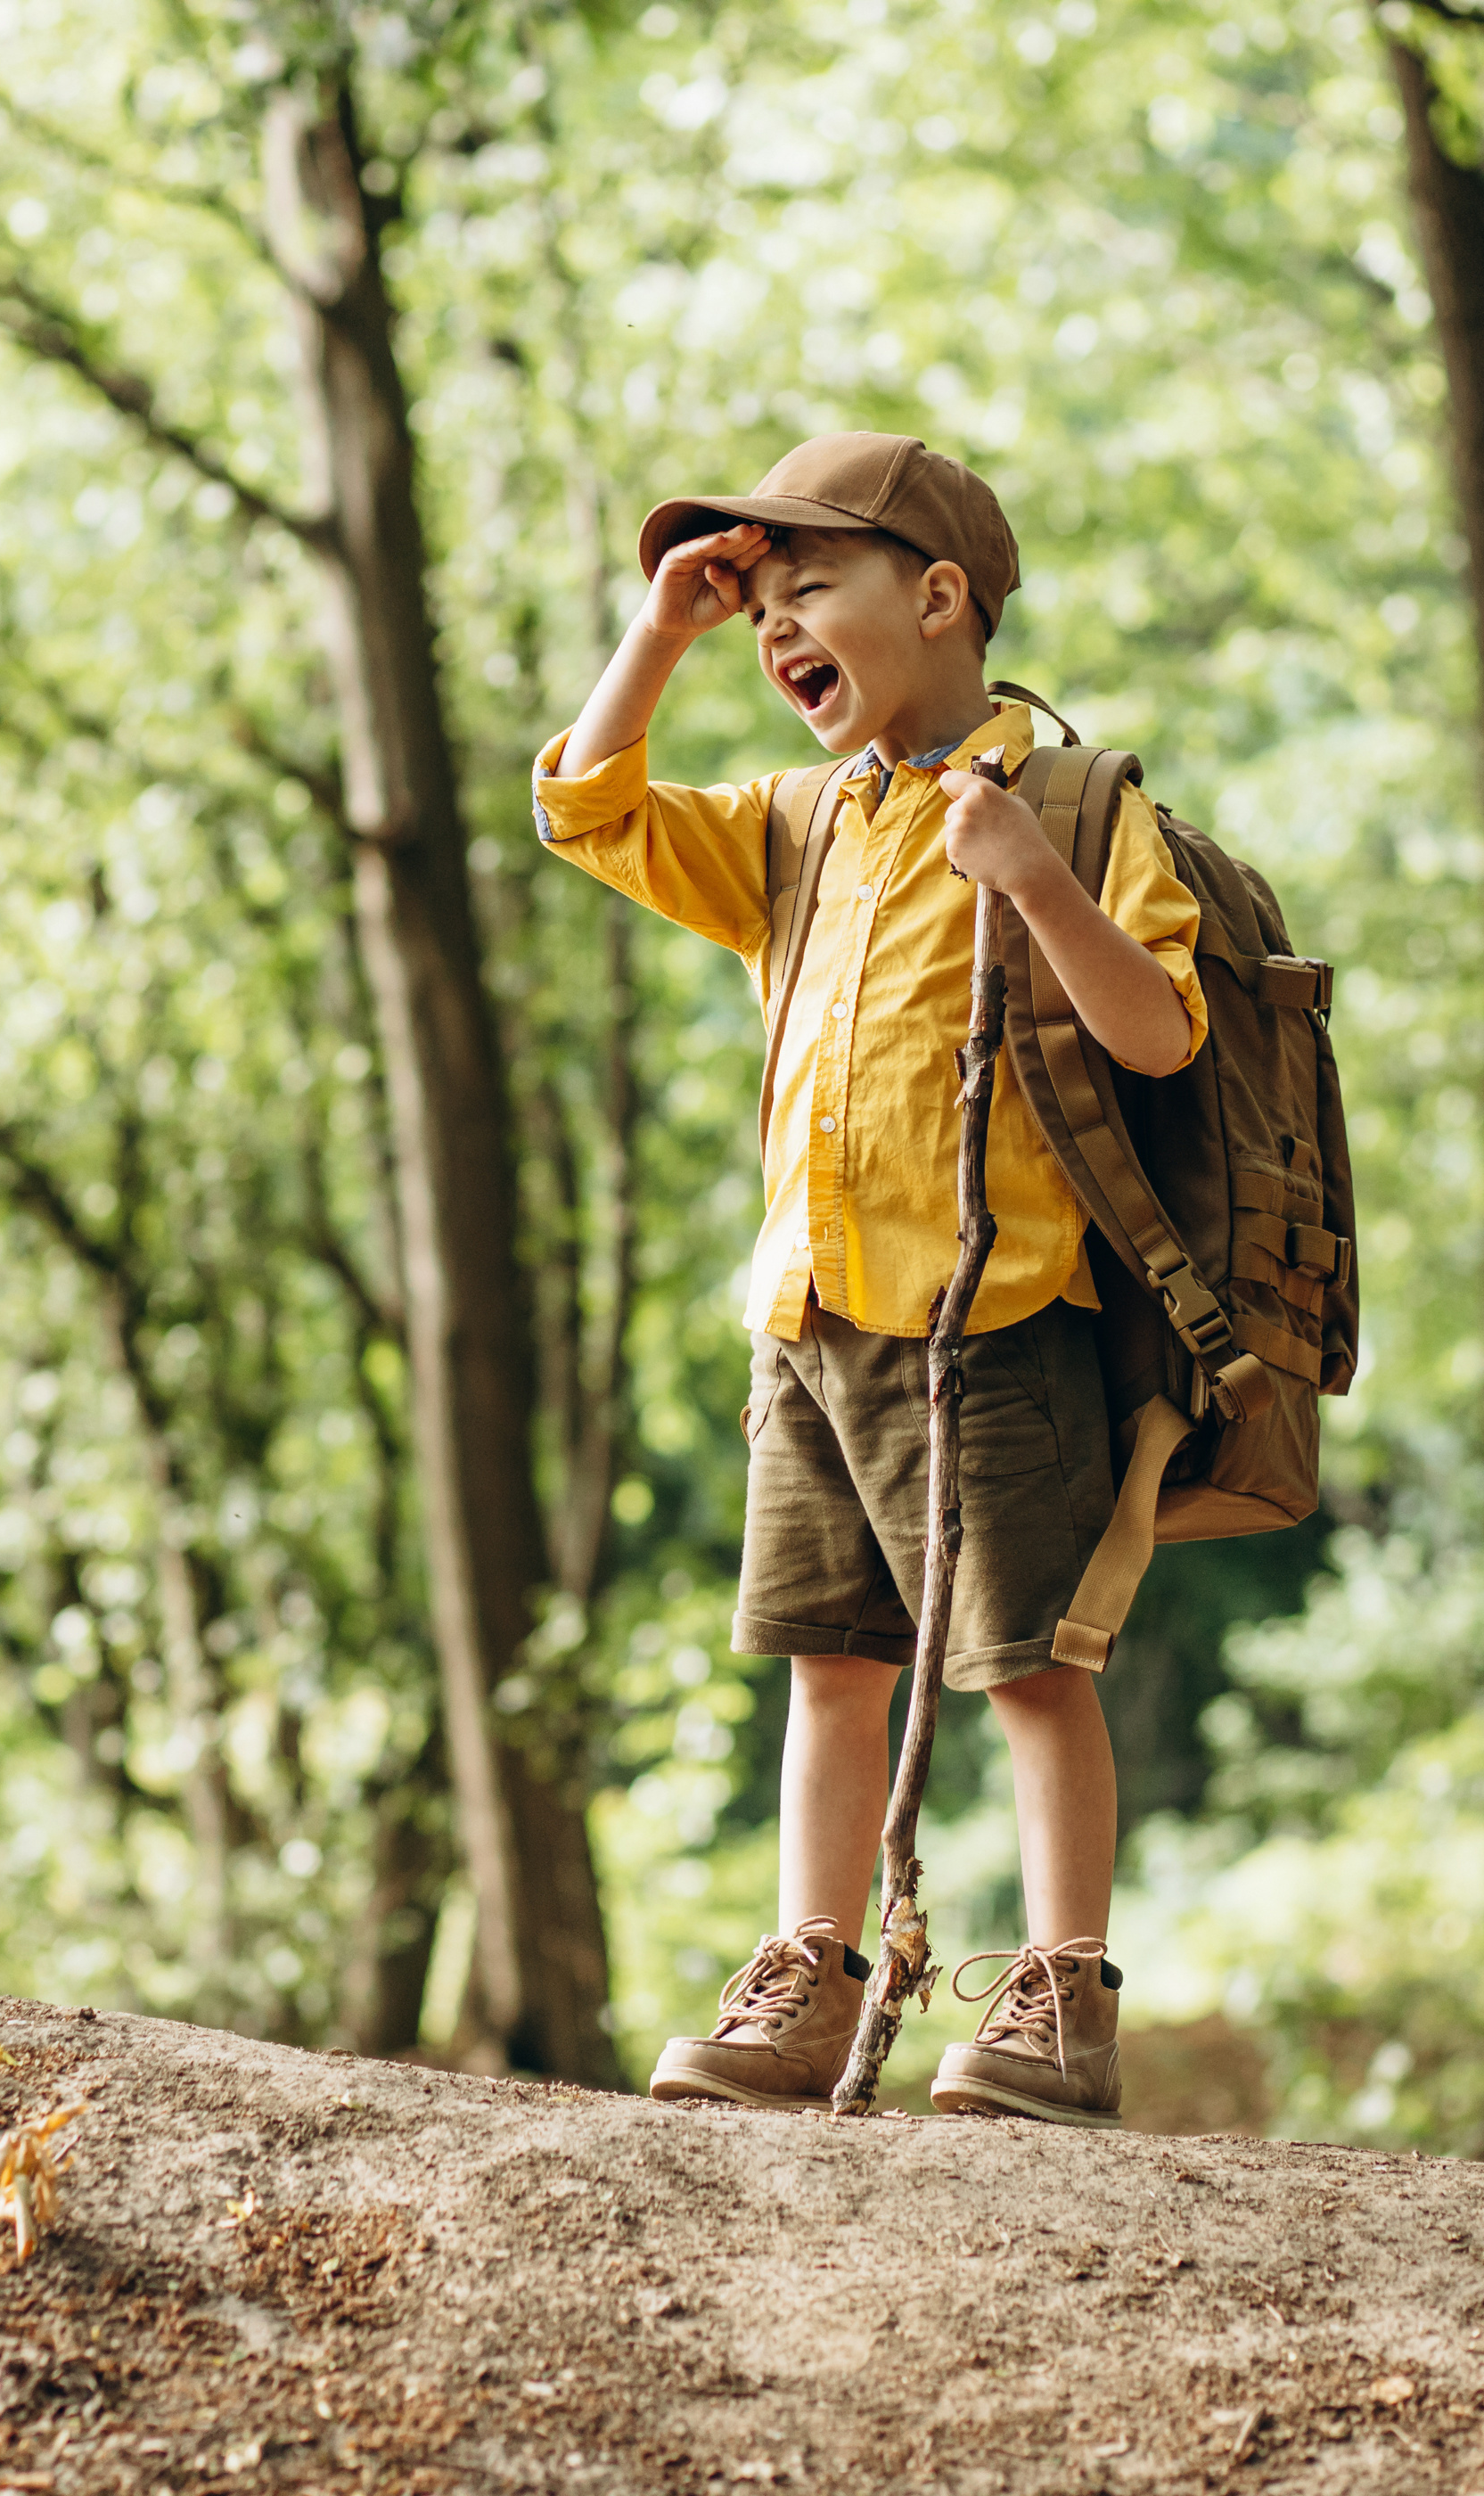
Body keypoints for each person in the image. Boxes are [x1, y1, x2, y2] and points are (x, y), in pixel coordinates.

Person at [530, 433, 1206, 2125]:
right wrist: (664, 637)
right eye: (756, 608)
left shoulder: (1075, 804)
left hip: (990, 1326)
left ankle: (1063, 1999)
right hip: (812, 1323)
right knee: (830, 1661)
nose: (774, 629)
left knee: (1033, 1666)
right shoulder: (794, 826)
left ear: (941, 596)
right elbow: (587, 810)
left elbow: (1161, 1031)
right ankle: (813, 1974)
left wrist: (1032, 879)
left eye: (802, 588)